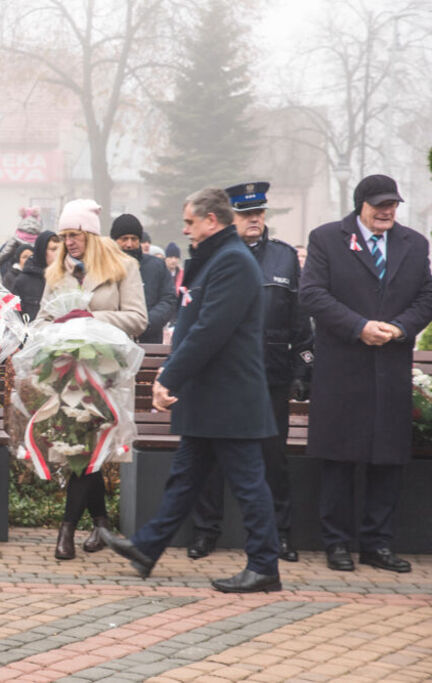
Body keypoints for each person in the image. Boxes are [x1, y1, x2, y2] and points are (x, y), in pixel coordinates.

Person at [99, 188, 282, 594]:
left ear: (211, 221)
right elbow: (191, 324)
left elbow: (209, 331)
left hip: (230, 397)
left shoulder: (232, 261)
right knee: (184, 479)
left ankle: (265, 565)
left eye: (189, 221)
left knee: (249, 484)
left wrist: (168, 377)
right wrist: (171, 369)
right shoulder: (216, 259)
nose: (184, 229)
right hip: (211, 396)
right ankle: (146, 549)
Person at [300, 174, 432, 573]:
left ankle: (378, 544)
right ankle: (337, 544)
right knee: (340, 460)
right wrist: (359, 326)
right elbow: (313, 294)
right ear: (361, 205)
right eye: (379, 204)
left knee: (387, 461)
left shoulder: (414, 244)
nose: (387, 211)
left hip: (390, 369)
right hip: (342, 370)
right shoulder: (327, 239)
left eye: (393, 204)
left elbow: (427, 296)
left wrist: (400, 327)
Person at [184, 182, 312, 562]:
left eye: (259, 212)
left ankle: (281, 533)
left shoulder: (284, 258)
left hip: (269, 374)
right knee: (211, 459)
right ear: (229, 217)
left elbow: (299, 318)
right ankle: (206, 532)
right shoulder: (212, 257)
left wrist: (303, 367)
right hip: (221, 374)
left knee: (273, 458)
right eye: (246, 213)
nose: (254, 219)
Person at [38, 199, 147, 560]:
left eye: (76, 234)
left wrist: (89, 319)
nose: (69, 242)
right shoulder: (57, 273)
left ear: (92, 235)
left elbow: (137, 318)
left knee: (85, 452)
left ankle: (66, 530)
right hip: (68, 376)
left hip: (107, 375)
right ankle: (100, 524)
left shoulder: (123, 268)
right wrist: (54, 327)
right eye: (65, 235)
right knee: (80, 452)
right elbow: (40, 320)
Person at [110, 214, 176, 344]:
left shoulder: (156, 266)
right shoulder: (104, 267)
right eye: (124, 239)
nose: (129, 244)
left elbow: (168, 300)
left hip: (149, 341)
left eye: (134, 239)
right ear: (114, 240)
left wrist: (143, 323)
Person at [10, 231, 59, 320]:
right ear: (42, 252)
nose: (58, 254)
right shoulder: (23, 281)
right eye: (53, 249)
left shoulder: (65, 277)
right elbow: (13, 315)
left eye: (60, 249)